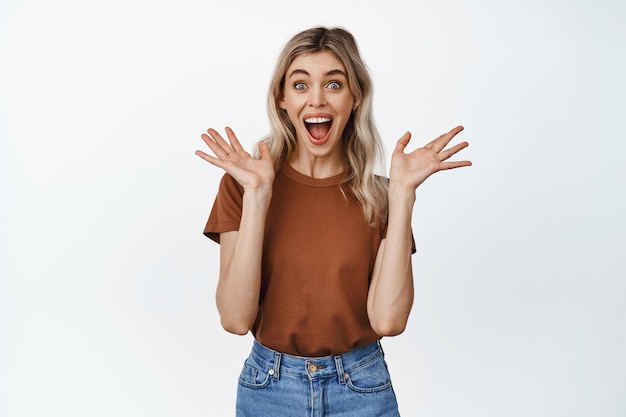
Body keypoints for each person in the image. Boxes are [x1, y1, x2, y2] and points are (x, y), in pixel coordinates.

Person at [196, 26, 471, 417]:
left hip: (361, 388)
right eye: (301, 85)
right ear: (282, 99)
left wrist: (403, 195)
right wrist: (258, 197)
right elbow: (235, 318)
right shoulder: (243, 186)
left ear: (355, 97)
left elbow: (389, 320)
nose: (317, 100)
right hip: (269, 390)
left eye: (334, 84)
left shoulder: (381, 195)